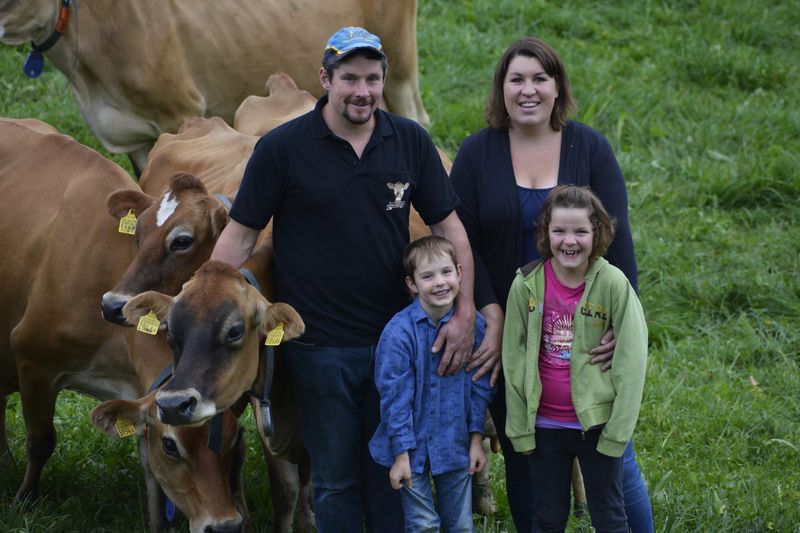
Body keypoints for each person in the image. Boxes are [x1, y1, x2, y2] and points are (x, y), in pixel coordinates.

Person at [210, 26, 476, 533]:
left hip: (397, 342)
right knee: (333, 479)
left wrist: (464, 312)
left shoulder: (410, 141)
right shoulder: (283, 148)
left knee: (393, 470)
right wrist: (207, 297)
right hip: (319, 347)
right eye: (350, 78)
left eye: (372, 79)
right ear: (325, 78)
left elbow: (450, 228)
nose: (362, 91)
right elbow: (240, 237)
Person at [450, 37, 654, 532]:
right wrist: (492, 312)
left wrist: (618, 324)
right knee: (524, 452)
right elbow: (463, 243)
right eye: (516, 79)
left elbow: (618, 239)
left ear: (557, 86)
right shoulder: (477, 153)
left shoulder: (589, 147)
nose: (529, 90)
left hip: (584, 329)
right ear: (501, 89)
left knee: (613, 456)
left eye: (540, 78)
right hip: (512, 334)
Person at [503, 185, 647, 532]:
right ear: (545, 232)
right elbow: (513, 358)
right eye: (559, 231)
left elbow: (632, 360)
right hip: (545, 426)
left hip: (597, 427)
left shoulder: (613, 283)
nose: (569, 241)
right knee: (547, 516)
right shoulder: (526, 285)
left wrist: (618, 432)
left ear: (597, 233)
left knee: (609, 516)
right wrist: (520, 428)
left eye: (580, 231)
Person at [369, 236, 494, 532]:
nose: (439, 282)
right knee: (423, 525)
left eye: (446, 272)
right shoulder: (399, 334)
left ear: (460, 274)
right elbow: (394, 398)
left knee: (461, 526)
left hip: (455, 444)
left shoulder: (474, 327)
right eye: (428, 276)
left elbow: (480, 386)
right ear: (412, 284)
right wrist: (401, 455)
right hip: (411, 449)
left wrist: (476, 440)